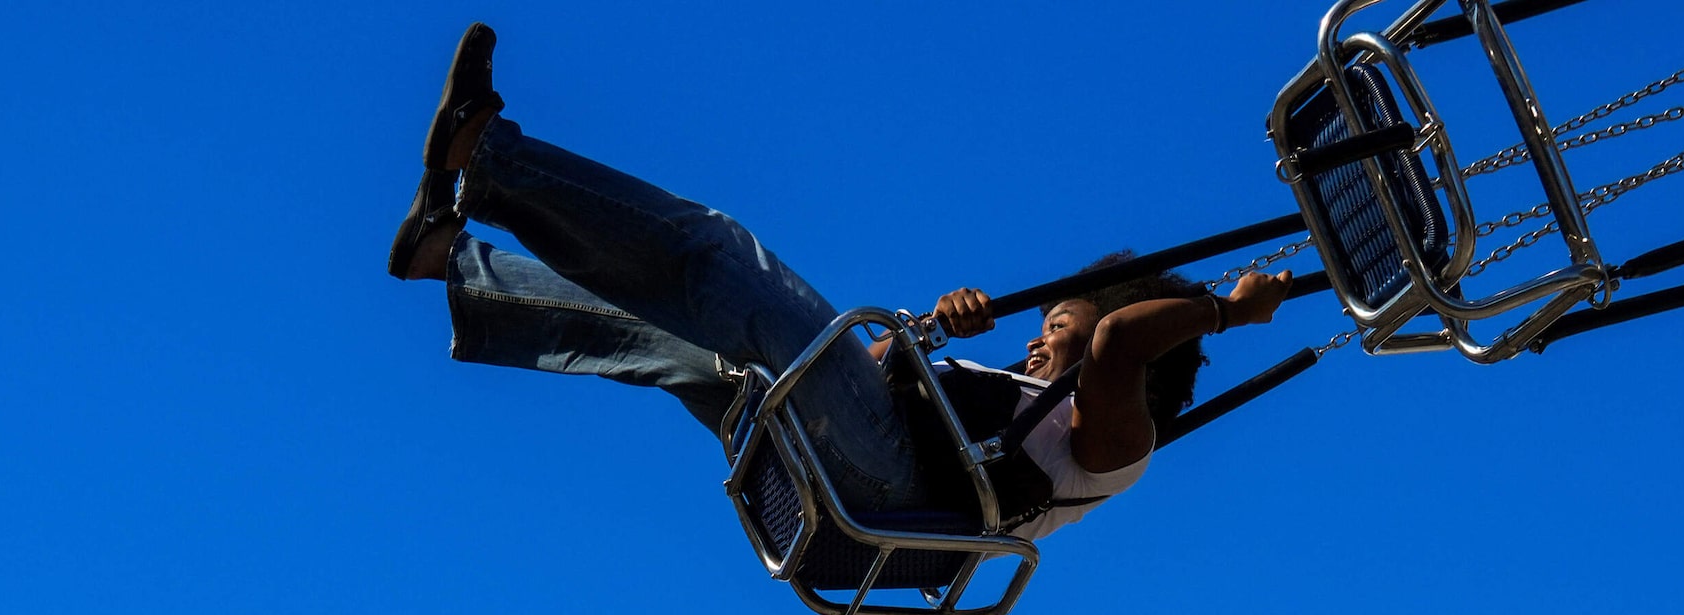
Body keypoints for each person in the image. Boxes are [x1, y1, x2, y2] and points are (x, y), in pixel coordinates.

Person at [384, 24, 1293, 544]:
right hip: (857, 464)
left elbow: (1115, 343)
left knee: (719, 254)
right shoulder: (1012, 392)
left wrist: (1227, 309)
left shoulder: (1116, 442)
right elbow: (858, 367)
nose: (1036, 338)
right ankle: (454, 265)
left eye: (1051, 326)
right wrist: (920, 339)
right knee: (685, 333)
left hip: (884, 490)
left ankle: (489, 160)